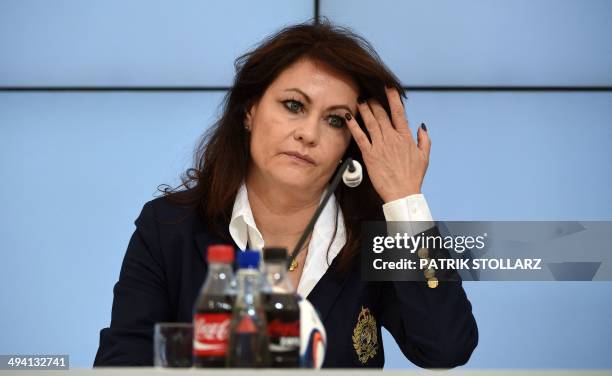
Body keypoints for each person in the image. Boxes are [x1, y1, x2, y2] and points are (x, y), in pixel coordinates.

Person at [94, 19, 478, 368]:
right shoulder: (169, 227)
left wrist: (403, 200)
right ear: (249, 110)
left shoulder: (371, 237)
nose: (308, 134)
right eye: (293, 106)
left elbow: (445, 348)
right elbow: (122, 363)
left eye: (335, 120)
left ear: (350, 142)